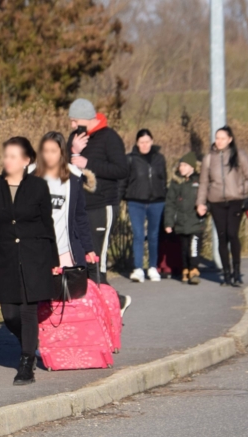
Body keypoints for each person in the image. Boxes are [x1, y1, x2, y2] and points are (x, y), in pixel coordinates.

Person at [0, 137, 59, 386]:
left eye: (13, 156)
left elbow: (47, 222)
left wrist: (52, 259)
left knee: (28, 309)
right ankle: (30, 343)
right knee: (10, 314)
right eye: (6, 155)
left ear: (26, 160)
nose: (7, 160)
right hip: (6, 256)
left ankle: (26, 362)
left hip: (35, 255)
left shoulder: (38, 186)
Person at [66, 98, 131, 315]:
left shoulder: (109, 138)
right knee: (83, 261)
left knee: (97, 262)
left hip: (102, 206)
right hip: (78, 208)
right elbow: (65, 167)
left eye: (75, 121)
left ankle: (110, 308)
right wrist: (74, 152)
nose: (72, 126)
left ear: (87, 118)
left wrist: (88, 164)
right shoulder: (74, 139)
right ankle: (112, 303)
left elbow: (121, 170)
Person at [196, 126, 248, 286]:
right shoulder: (208, 159)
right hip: (216, 202)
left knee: (232, 234)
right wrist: (200, 203)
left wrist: (241, 190)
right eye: (217, 138)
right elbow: (203, 182)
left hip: (235, 201)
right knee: (222, 237)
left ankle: (237, 272)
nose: (219, 141)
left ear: (230, 139)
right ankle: (226, 273)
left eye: (223, 138)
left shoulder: (239, 155)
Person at [34, 131, 97, 267]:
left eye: (53, 151)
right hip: (38, 249)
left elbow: (80, 215)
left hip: (65, 249)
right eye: (45, 151)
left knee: (68, 287)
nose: (49, 155)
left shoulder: (73, 177)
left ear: (61, 152)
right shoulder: (30, 176)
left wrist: (88, 247)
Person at [124, 129, 167, 283]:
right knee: (138, 235)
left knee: (154, 235)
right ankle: (138, 268)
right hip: (136, 201)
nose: (145, 145)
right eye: (142, 142)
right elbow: (124, 179)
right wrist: (124, 196)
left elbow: (163, 178)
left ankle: (153, 267)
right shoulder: (130, 159)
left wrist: (163, 194)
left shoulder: (159, 158)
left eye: (147, 141)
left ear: (152, 141)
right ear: (137, 143)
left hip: (157, 201)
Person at [164, 152, 205, 285]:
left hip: (196, 222)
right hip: (180, 222)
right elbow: (170, 203)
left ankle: (194, 269)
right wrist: (169, 223)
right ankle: (185, 269)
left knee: (194, 247)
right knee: (184, 248)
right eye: (180, 165)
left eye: (185, 165)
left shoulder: (199, 181)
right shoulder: (176, 183)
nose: (181, 168)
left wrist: (204, 208)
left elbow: (206, 198)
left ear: (192, 167)